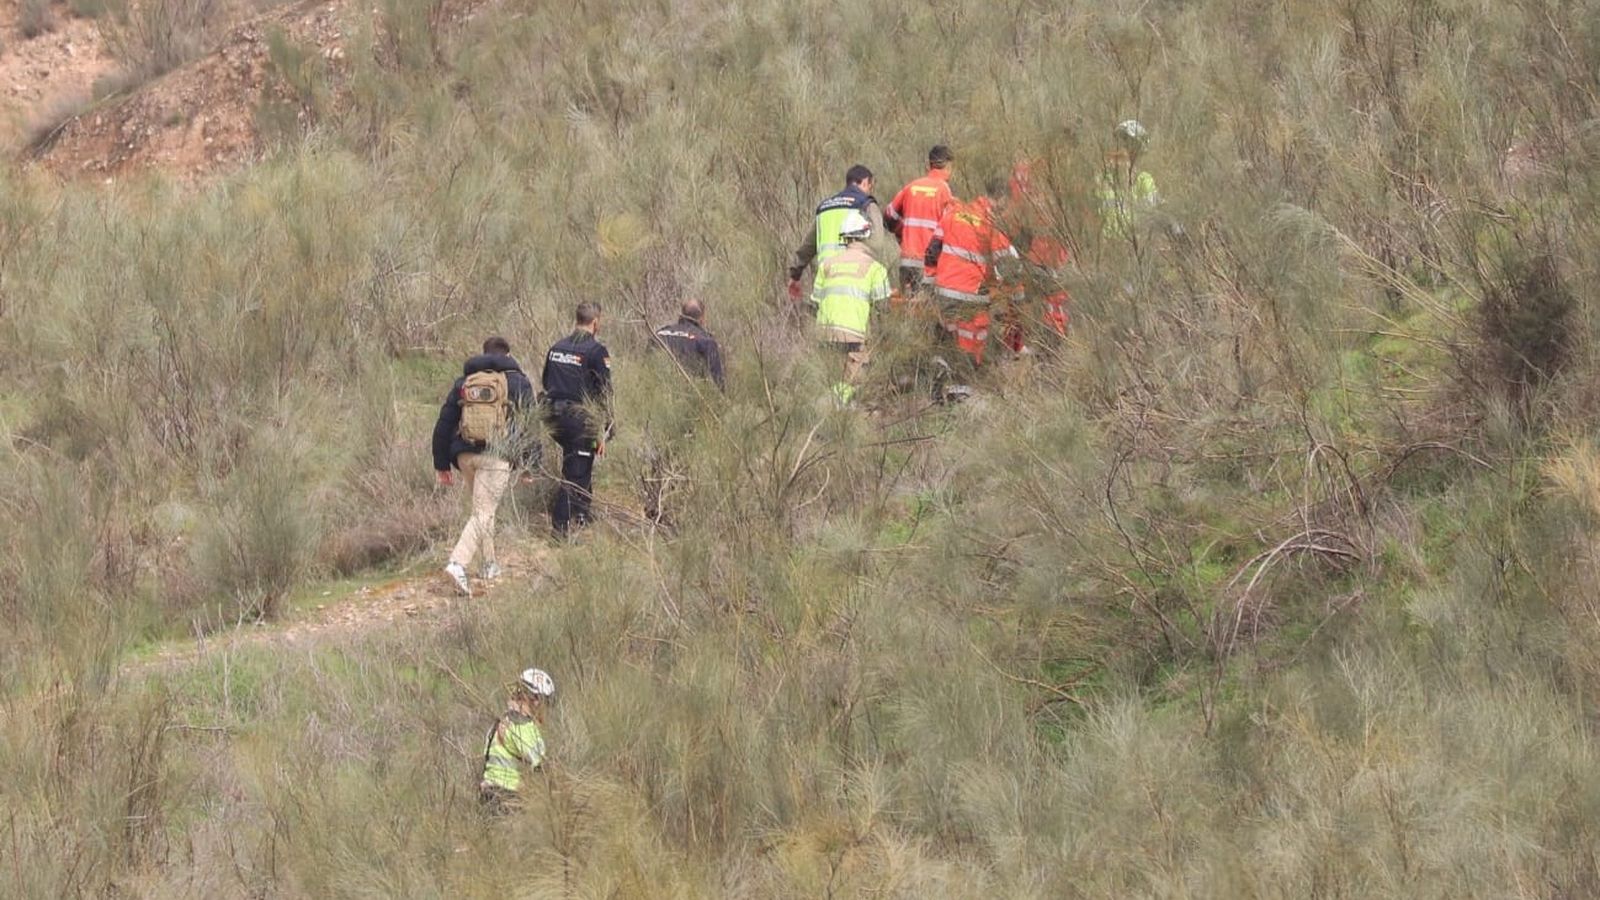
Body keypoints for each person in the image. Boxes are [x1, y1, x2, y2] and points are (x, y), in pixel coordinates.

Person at [431, 336, 539, 597]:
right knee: (484, 512)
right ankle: (457, 564)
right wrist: (531, 465)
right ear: (508, 355)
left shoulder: (465, 381)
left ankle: (489, 564)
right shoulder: (517, 382)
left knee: (481, 510)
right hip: (496, 456)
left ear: (484, 354)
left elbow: (444, 422)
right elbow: (530, 425)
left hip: (465, 456)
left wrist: (441, 463)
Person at [924, 177, 1020, 392]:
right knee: (973, 338)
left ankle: (941, 369)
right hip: (972, 294)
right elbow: (1007, 264)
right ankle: (961, 388)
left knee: (949, 332)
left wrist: (930, 283)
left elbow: (932, 250)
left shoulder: (955, 213)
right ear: (1001, 199)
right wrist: (1016, 294)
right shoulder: (990, 223)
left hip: (945, 289)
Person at [541, 302, 613, 539]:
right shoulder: (596, 351)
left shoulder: (557, 347)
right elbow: (605, 391)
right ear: (595, 322)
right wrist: (607, 426)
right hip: (578, 419)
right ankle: (560, 528)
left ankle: (582, 512)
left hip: (552, 415)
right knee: (577, 472)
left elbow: (546, 381)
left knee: (580, 458)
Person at [810, 209, 892, 403]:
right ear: (866, 237)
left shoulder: (827, 265)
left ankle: (825, 408)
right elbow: (884, 309)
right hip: (853, 337)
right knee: (852, 384)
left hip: (824, 334)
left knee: (827, 380)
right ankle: (838, 411)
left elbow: (815, 303)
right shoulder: (875, 269)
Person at [787, 164, 887, 303]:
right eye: (870, 187)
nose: (870, 191)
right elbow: (877, 244)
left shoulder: (825, 208)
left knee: (827, 315)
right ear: (865, 182)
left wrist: (795, 275)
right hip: (855, 279)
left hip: (826, 279)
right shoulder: (866, 205)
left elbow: (808, 247)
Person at [479, 667, 555, 813]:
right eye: (545, 702)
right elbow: (541, 766)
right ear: (536, 700)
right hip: (509, 800)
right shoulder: (523, 726)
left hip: (488, 796)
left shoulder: (500, 722)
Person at [884, 145, 956, 291]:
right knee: (926, 304)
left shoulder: (911, 187)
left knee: (908, 303)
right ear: (948, 166)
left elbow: (889, 216)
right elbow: (950, 230)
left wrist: (903, 234)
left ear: (929, 164)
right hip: (929, 265)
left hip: (907, 260)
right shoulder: (944, 191)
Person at [1097, 119, 1160, 241]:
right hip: (1105, 245)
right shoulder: (1102, 179)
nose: (1122, 150)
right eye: (1120, 143)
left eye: (1128, 145)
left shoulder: (1144, 181)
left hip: (1135, 246)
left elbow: (1151, 217)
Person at [649, 298, 725, 391]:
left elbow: (646, 368)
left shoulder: (659, 335)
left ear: (681, 315)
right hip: (689, 393)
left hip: (658, 392)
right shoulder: (706, 341)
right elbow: (718, 382)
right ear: (702, 318)